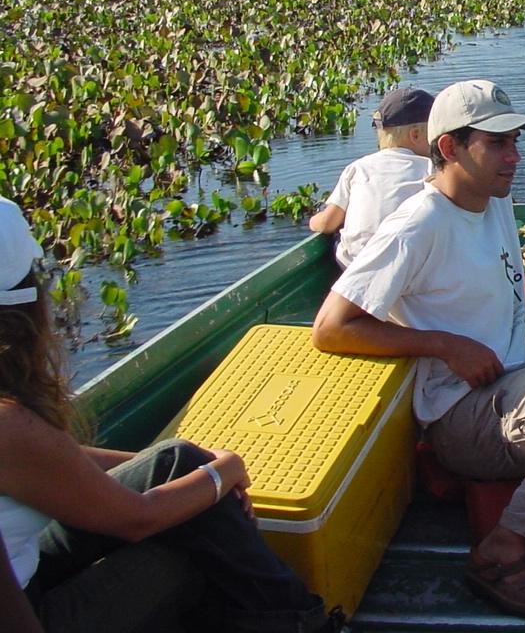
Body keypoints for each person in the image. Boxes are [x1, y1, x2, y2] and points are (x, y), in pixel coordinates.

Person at [312, 79, 525, 622]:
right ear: (448, 148)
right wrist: (443, 344)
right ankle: (505, 549)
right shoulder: (417, 224)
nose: (514, 157)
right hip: (461, 416)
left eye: (515, 142)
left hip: (512, 386)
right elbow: (331, 328)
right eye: (497, 144)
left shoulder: (495, 200)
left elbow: (494, 274)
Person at [0, 196, 332, 633]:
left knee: (175, 459)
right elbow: (138, 518)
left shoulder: (16, 432)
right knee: (191, 548)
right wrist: (225, 471)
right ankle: (300, 624)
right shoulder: (10, 425)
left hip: (27, 570)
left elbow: (54, 459)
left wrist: (196, 467)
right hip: (29, 613)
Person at [309, 86, 435, 269]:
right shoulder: (431, 169)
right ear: (415, 135)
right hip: (409, 268)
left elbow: (327, 223)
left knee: (341, 229)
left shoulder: (358, 168)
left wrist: (313, 221)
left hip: (353, 268)